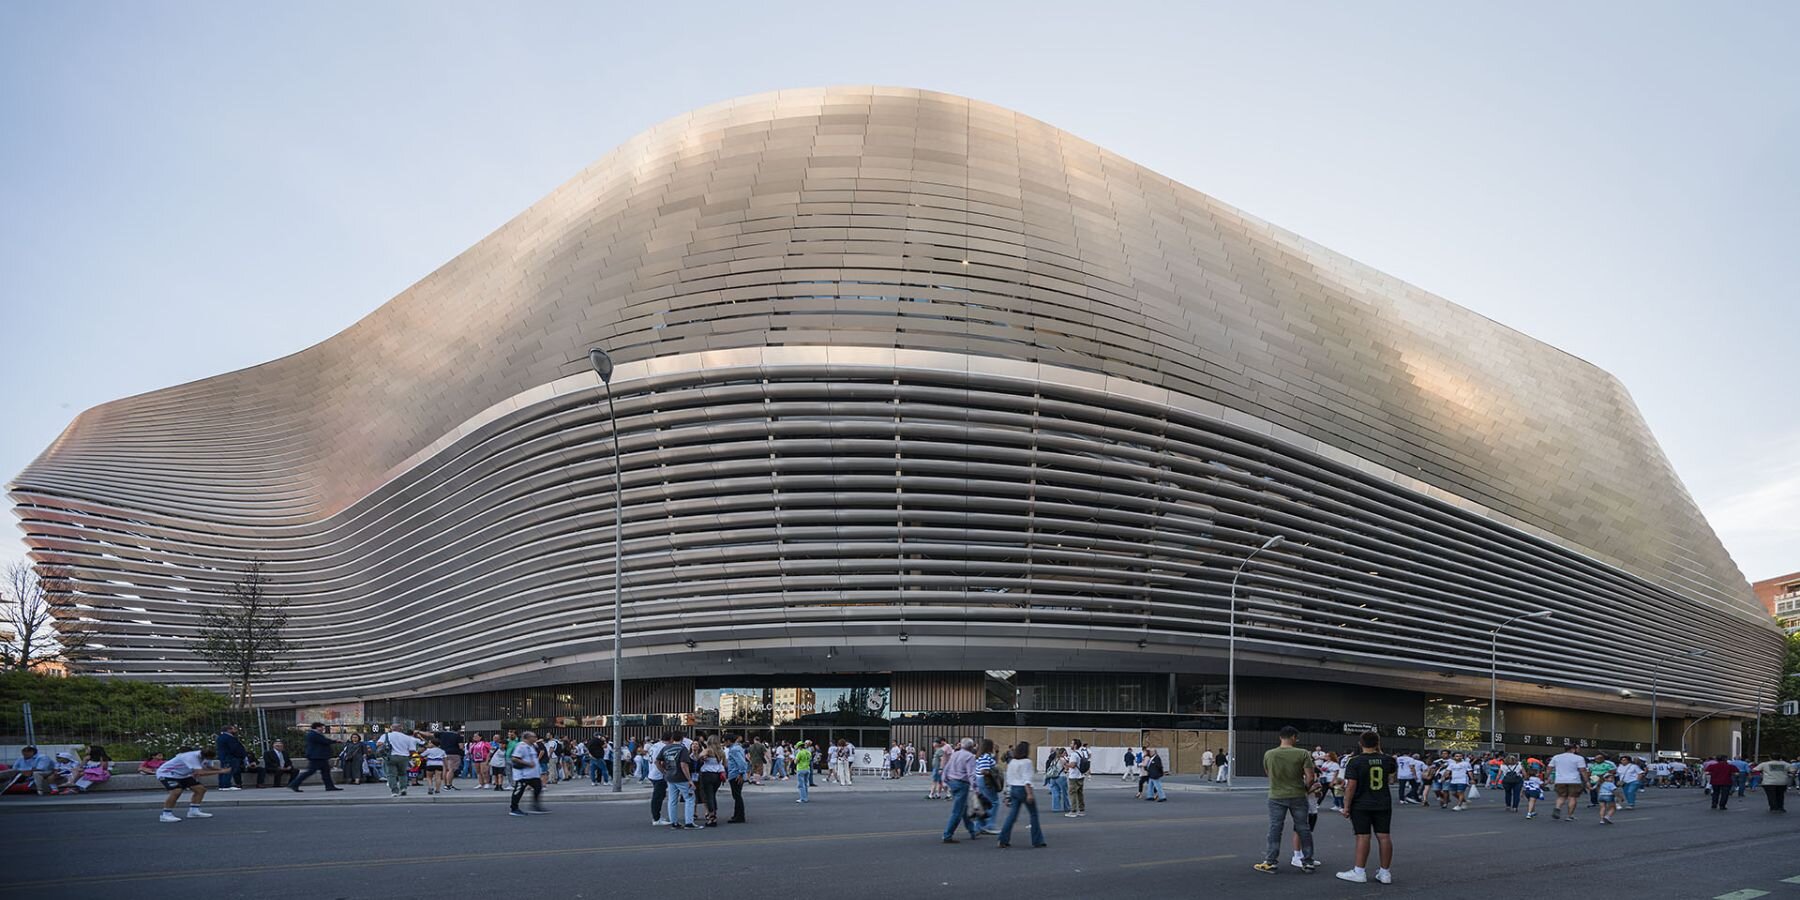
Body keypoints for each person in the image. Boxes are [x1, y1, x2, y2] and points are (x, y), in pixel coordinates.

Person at [1255, 725, 1318, 874]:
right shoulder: (1302, 753)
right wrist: (1306, 788)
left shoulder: (1269, 754)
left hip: (1276, 795)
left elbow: (1269, 774)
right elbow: (1310, 777)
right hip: (1298, 795)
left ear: (1280, 737)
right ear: (1294, 737)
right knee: (1303, 828)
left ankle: (1270, 862)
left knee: (1275, 828)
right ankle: (1308, 862)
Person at [1335, 731, 1395, 885]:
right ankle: (1385, 872)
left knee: (1363, 836)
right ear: (1378, 743)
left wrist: (1346, 806)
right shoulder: (1388, 759)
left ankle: (1359, 871)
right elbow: (1391, 779)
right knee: (1384, 836)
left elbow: (1351, 787)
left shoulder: (1355, 761)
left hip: (1362, 803)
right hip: (1382, 801)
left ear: (1360, 743)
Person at [996, 741, 1047, 848]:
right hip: (1023, 789)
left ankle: (1003, 839)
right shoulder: (1027, 762)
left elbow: (1009, 780)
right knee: (1033, 814)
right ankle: (1037, 840)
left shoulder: (1012, 762)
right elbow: (1026, 780)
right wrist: (1029, 794)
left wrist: (1007, 795)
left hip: (1013, 789)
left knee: (1012, 816)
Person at [154, 746, 221, 823]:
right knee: (176, 791)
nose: (208, 760)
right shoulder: (191, 757)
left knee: (200, 789)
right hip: (167, 773)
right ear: (202, 755)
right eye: (207, 758)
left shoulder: (207, 757)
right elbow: (200, 772)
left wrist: (221, 769)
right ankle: (166, 814)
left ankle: (194, 811)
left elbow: (209, 766)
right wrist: (221, 772)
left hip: (183, 774)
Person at [940, 738, 981, 843]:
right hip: (962, 783)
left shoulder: (955, 754)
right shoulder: (970, 757)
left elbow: (946, 767)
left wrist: (944, 781)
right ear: (971, 747)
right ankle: (947, 835)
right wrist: (976, 788)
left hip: (952, 782)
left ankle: (972, 830)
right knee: (957, 811)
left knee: (963, 807)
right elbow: (971, 774)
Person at [289, 722, 342, 792]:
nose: (323, 729)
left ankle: (329, 786)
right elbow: (324, 741)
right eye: (322, 727)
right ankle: (294, 784)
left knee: (325, 771)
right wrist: (336, 741)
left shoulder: (315, 734)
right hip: (316, 756)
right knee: (310, 771)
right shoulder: (313, 734)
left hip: (320, 756)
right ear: (317, 727)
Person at [660, 733, 697, 829]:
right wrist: (689, 780)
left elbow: (658, 761)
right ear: (682, 738)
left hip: (670, 777)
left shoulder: (666, 748)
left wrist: (664, 771)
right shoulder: (682, 749)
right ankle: (689, 822)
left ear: (672, 738)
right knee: (689, 799)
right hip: (681, 777)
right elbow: (683, 764)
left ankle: (674, 822)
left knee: (672, 800)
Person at [505, 730, 546, 816]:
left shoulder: (532, 746)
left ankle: (535, 806)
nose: (535, 738)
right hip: (523, 774)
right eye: (533, 737)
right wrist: (528, 764)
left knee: (538, 788)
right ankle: (514, 808)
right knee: (519, 790)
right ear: (528, 738)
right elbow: (515, 758)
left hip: (532, 774)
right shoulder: (521, 746)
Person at [376, 723, 421, 797]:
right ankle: (403, 788)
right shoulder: (407, 737)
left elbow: (378, 744)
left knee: (391, 775)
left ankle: (394, 791)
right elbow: (412, 750)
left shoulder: (386, 735)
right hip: (404, 757)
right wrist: (410, 757)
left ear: (391, 728)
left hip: (390, 757)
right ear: (401, 729)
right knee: (403, 774)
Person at [1548, 743, 1588, 821]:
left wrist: (1547, 777)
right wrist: (1587, 781)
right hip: (1574, 780)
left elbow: (1549, 768)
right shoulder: (1579, 758)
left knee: (1561, 796)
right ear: (1573, 749)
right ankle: (1570, 815)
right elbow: (1583, 770)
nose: (1578, 750)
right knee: (1572, 797)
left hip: (1560, 780)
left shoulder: (1556, 757)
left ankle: (1557, 808)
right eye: (1577, 749)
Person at [973, 739, 1001, 834]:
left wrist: (997, 752)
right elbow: (983, 770)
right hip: (985, 781)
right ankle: (989, 824)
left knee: (984, 804)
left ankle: (979, 826)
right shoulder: (985, 756)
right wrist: (993, 772)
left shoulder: (982, 756)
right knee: (994, 802)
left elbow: (994, 762)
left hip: (979, 780)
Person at [697, 736, 725, 827]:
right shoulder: (722, 752)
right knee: (713, 794)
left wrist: (703, 758)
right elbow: (725, 764)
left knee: (708, 795)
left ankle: (712, 816)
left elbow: (700, 756)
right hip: (717, 775)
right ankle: (714, 813)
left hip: (707, 774)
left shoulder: (708, 750)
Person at [215, 725, 248, 791]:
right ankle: (226, 785)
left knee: (224, 770)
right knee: (228, 770)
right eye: (234, 729)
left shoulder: (221, 737)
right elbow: (234, 748)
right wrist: (240, 754)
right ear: (228, 730)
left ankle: (222, 785)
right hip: (230, 757)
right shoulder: (229, 738)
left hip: (224, 756)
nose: (235, 730)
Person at [434, 726, 464, 791]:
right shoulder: (458, 736)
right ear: (459, 730)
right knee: (451, 769)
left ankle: (445, 785)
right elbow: (461, 746)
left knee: (445, 769)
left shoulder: (444, 734)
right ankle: (448, 785)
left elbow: (431, 735)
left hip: (444, 753)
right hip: (454, 754)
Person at [1064, 739, 1089, 818]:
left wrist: (1066, 764)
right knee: (1079, 793)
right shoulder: (1081, 753)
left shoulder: (1074, 754)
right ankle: (1081, 810)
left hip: (1074, 776)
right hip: (1081, 775)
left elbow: (1073, 765)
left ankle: (1073, 810)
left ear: (1075, 745)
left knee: (1072, 793)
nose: (1070, 744)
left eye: (1071, 743)